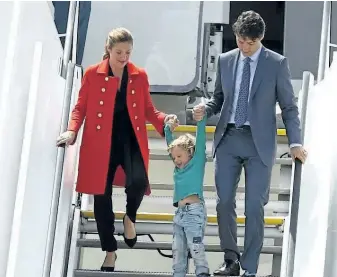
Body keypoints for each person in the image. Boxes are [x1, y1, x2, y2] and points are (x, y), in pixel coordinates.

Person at [192, 11, 308, 277]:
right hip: (229, 139)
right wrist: (204, 109)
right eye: (240, 41)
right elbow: (218, 98)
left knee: (254, 206)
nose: (244, 47)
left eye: (249, 43)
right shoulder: (225, 60)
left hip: (260, 143)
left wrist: (295, 142)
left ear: (261, 38)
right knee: (224, 202)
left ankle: (250, 268)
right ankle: (230, 260)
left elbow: (289, 107)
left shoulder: (276, 64)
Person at [56, 27, 178, 272]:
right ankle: (110, 251)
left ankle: (129, 216)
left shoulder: (139, 75)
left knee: (138, 181)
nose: (124, 57)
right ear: (108, 49)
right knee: (102, 198)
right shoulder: (92, 74)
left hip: (130, 138)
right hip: (100, 142)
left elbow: (148, 110)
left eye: (128, 52)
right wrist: (72, 131)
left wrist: (165, 119)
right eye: (119, 52)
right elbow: (80, 107)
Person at [164, 116, 209, 277]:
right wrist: (168, 128)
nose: (176, 160)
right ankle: (178, 274)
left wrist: (201, 120)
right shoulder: (178, 169)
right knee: (178, 250)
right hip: (180, 213)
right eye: (174, 157)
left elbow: (202, 139)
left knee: (195, 246)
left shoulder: (197, 162)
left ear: (190, 153)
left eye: (179, 156)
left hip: (194, 212)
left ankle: (202, 272)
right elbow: (169, 141)